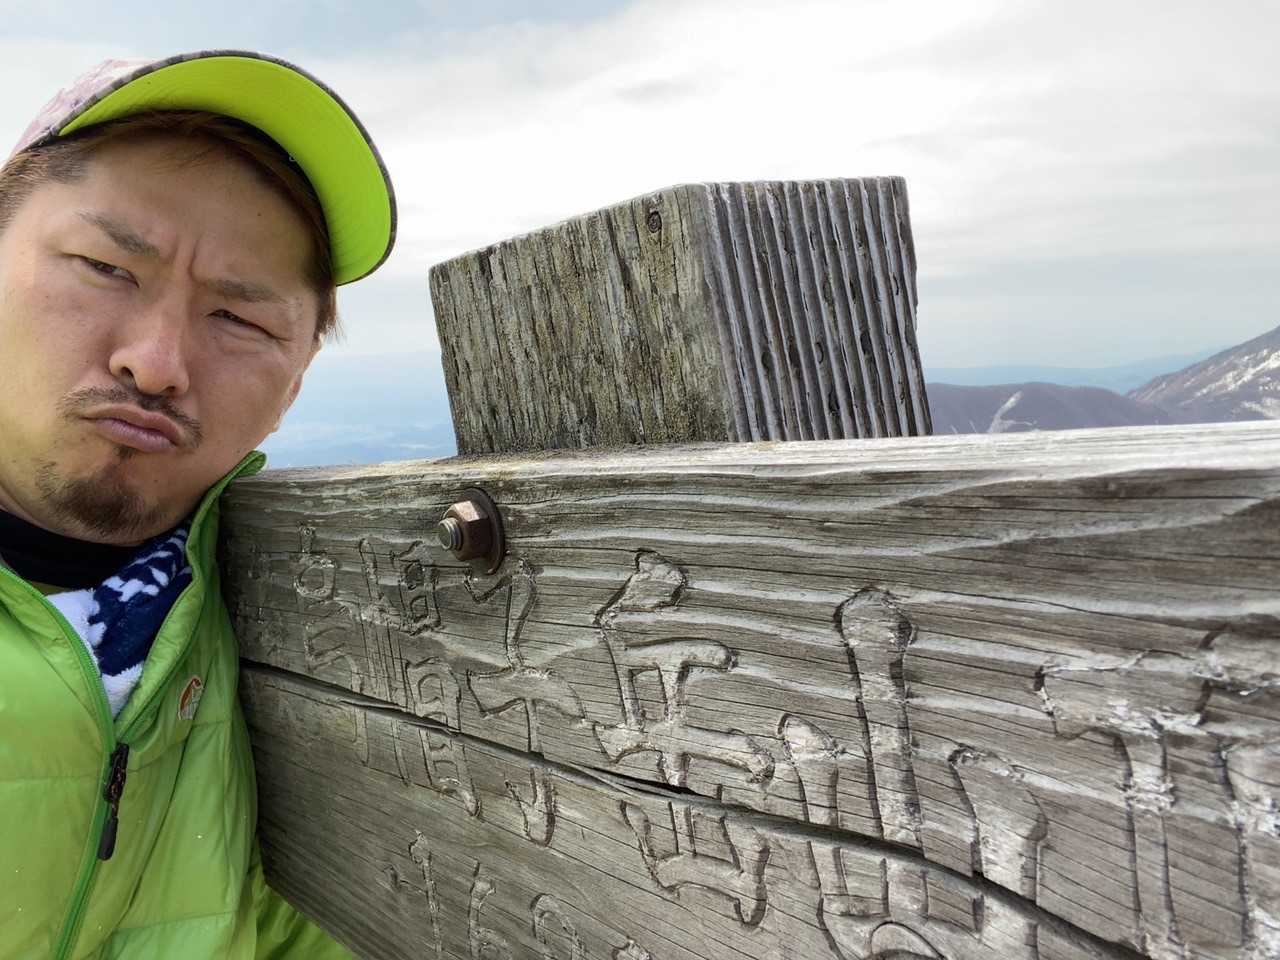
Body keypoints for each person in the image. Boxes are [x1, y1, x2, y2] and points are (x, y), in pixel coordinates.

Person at [0, 51, 396, 958]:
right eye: (104, 266)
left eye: (240, 320)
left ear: (295, 382)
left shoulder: (285, 614)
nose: (156, 364)